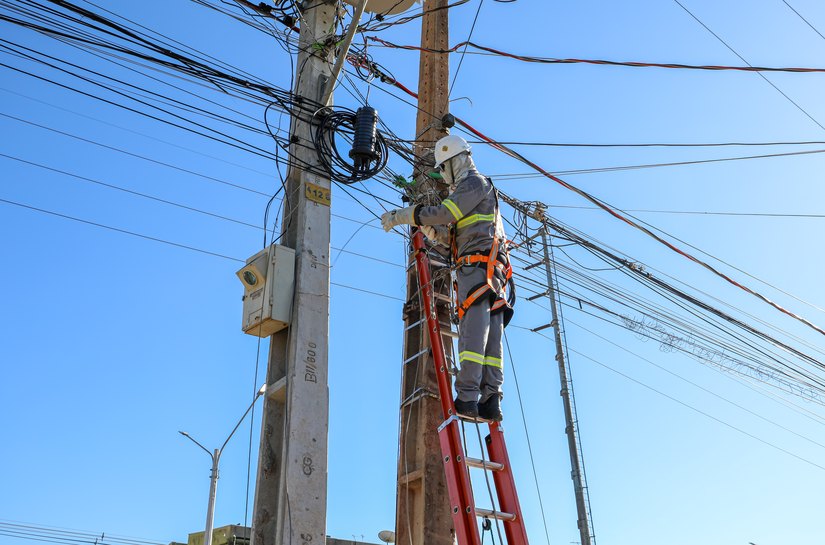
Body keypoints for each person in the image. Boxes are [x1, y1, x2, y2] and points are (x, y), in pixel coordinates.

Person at [381, 134, 514, 421]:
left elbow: (444, 213)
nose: (442, 176)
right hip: (491, 270)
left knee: (473, 335)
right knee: (490, 340)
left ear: (455, 161)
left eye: (443, 168)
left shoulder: (472, 183)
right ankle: (491, 399)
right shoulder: (479, 191)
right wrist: (432, 233)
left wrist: (406, 215)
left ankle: (467, 398)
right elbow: (453, 233)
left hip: (478, 270)